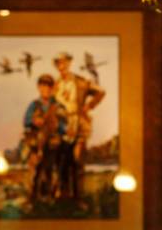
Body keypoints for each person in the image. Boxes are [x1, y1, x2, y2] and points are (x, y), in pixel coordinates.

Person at [52, 52, 105, 203]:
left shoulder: (81, 82)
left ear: (69, 63)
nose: (61, 66)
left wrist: (89, 106)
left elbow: (101, 92)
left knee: (77, 160)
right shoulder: (55, 85)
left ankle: (78, 198)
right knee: (61, 161)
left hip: (79, 125)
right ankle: (62, 196)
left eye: (64, 63)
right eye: (58, 64)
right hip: (61, 127)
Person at [21, 74, 67, 204]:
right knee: (35, 170)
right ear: (38, 88)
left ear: (52, 89)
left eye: (48, 87)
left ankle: (50, 197)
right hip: (36, 144)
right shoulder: (34, 105)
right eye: (42, 86)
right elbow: (26, 121)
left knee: (50, 170)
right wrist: (35, 121)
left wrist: (58, 126)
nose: (45, 89)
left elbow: (64, 125)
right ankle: (32, 198)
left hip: (52, 145)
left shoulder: (58, 106)